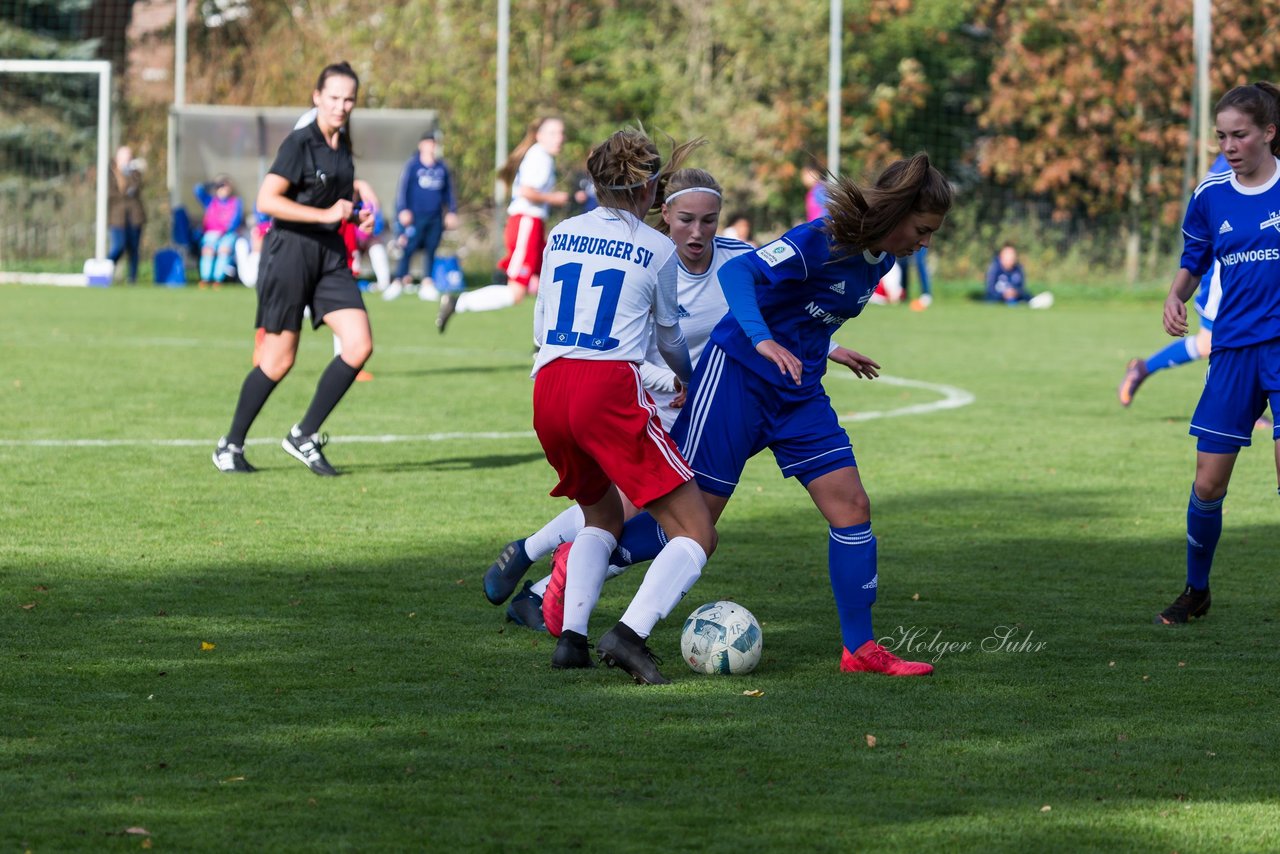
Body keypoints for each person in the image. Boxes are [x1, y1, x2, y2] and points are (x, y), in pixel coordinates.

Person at [537, 153, 953, 677]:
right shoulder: (820, 239)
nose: (926, 242)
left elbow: (808, 316)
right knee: (693, 524)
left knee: (852, 507)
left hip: (798, 394)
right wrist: (761, 340)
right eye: (922, 229)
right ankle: (582, 561)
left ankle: (859, 650)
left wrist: (831, 350)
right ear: (895, 214)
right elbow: (739, 273)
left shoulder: (883, 261)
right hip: (735, 378)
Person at [483, 167, 754, 631]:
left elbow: (766, 318)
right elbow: (624, 352)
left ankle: (534, 570)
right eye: (686, 218)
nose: (698, 231)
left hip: (702, 412)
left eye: (709, 220)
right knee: (660, 519)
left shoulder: (738, 262)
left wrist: (826, 347)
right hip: (642, 405)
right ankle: (550, 590)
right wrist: (673, 383)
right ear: (663, 212)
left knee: (634, 514)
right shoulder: (647, 258)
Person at [527, 128, 717, 685]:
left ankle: (571, 640)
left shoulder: (560, 233)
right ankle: (629, 635)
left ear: (594, 180)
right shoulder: (658, 247)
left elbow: (541, 326)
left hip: (547, 387)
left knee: (602, 516)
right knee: (696, 532)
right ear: (650, 188)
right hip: (604, 390)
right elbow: (669, 338)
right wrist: (686, 378)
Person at [1153, 82, 1280, 626]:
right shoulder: (1211, 196)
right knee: (1208, 484)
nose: (1229, 145)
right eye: (1223, 135)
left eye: (1241, 134)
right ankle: (1196, 589)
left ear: (1269, 133)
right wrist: (1175, 293)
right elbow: (1196, 254)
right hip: (1231, 349)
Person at [212, 61, 374, 477]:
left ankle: (303, 434)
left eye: (349, 98)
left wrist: (357, 215)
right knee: (278, 360)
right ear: (317, 96)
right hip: (290, 254)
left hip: (330, 255)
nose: (341, 105)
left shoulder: (342, 144)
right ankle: (229, 446)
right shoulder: (300, 142)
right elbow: (267, 200)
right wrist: (321, 216)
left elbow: (333, 200)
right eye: (334, 97)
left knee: (358, 345)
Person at [436, 117, 575, 332]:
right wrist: (555, 198)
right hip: (526, 224)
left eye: (561, 133)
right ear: (539, 135)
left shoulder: (542, 156)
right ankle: (457, 303)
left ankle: (544, 343)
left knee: (551, 282)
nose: (560, 138)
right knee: (516, 292)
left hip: (533, 224)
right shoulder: (539, 156)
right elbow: (526, 191)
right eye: (554, 133)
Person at [384, 131, 458, 302]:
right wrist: (403, 209)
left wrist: (452, 212)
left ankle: (427, 283)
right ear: (421, 145)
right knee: (408, 248)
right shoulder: (413, 166)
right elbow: (403, 189)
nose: (431, 146)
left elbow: (449, 192)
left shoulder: (441, 168)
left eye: (433, 143)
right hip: (415, 216)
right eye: (428, 143)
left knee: (431, 249)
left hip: (435, 216)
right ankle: (398, 281)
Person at [194, 175, 244, 288]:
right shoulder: (211, 201)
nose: (223, 189)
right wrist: (212, 184)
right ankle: (206, 279)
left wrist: (224, 231)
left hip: (227, 234)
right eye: (220, 187)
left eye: (225, 186)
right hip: (211, 234)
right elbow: (197, 190)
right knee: (208, 250)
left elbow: (236, 220)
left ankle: (218, 280)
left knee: (224, 250)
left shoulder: (235, 202)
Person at [107, 145, 146, 284]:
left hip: (134, 217)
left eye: (130, 156)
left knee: (133, 249)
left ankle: (132, 278)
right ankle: (106, 271)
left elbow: (138, 187)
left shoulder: (135, 173)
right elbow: (112, 194)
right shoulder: (110, 173)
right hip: (117, 218)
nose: (127, 159)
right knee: (119, 246)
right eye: (125, 156)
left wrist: (135, 172)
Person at [984, 243, 1053, 308]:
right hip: (997, 300)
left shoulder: (1018, 269)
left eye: (1012, 255)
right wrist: (1003, 295)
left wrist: (1015, 292)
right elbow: (990, 290)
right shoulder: (994, 268)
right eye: (1008, 255)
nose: (1011, 258)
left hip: (1016, 299)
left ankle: (1033, 302)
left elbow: (1022, 288)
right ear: (1001, 256)